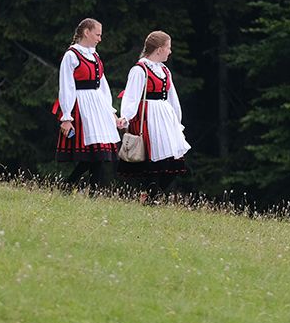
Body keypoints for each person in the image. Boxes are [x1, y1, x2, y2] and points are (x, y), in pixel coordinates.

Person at [54, 18, 126, 189]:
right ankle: (69, 184)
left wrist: (111, 112)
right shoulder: (72, 55)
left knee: (101, 154)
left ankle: (91, 192)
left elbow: (103, 85)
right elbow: (66, 86)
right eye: (97, 34)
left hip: (98, 105)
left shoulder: (94, 55)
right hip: (82, 105)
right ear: (86, 32)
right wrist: (66, 117)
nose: (100, 39)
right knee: (94, 154)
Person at [117, 30, 190, 199]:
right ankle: (151, 199)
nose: (170, 51)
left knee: (174, 161)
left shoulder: (164, 71)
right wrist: (125, 117)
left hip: (165, 117)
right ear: (159, 49)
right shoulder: (140, 70)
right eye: (168, 48)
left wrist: (177, 122)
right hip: (148, 118)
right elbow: (131, 96)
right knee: (154, 162)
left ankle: (151, 197)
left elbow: (172, 97)